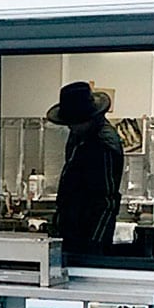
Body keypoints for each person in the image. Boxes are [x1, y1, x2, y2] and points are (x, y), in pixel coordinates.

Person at [46, 81, 123, 254]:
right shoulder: (78, 135)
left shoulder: (104, 144)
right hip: (70, 227)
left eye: (74, 122)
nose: (70, 126)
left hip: (89, 234)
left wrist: (95, 244)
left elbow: (106, 200)